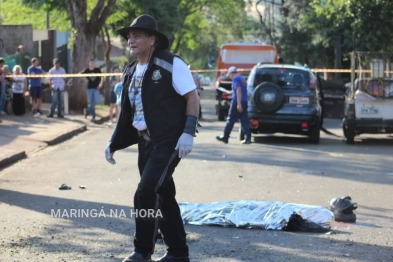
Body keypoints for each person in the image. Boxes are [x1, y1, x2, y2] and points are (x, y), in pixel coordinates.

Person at [105, 14, 199, 262]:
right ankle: (178, 253)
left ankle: (142, 251)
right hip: (145, 141)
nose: (130, 40)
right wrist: (114, 142)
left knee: (145, 192)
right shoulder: (131, 70)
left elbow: (192, 98)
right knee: (163, 194)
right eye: (129, 36)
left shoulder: (171, 64)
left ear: (152, 39)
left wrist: (188, 132)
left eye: (137, 35)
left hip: (169, 140)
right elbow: (129, 110)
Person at [216, 66, 251, 144]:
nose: (230, 77)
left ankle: (225, 136)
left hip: (237, 102)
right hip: (244, 101)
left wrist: (238, 104)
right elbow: (239, 89)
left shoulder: (235, 79)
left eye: (229, 75)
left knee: (230, 120)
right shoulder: (242, 78)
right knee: (244, 120)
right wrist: (231, 92)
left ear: (231, 73)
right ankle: (248, 138)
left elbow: (238, 91)